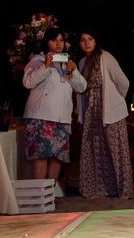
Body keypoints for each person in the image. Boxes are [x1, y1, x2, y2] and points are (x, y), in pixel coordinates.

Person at [23, 27, 87, 194]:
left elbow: (82, 87)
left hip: (62, 118)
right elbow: (27, 82)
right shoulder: (37, 60)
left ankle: (50, 194)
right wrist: (45, 66)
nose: (58, 43)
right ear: (47, 42)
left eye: (61, 40)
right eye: (54, 40)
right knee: (41, 155)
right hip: (41, 116)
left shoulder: (67, 63)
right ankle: (39, 195)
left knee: (57, 157)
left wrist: (72, 71)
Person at [76, 28, 134, 199]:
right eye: (82, 40)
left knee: (115, 149)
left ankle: (123, 189)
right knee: (95, 149)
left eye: (90, 39)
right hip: (91, 111)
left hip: (110, 109)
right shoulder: (81, 63)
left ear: (96, 41)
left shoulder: (106, 57)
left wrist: (116, 100)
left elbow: (123, 82)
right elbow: (81, 88)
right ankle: (100, 189)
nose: (86, 43)